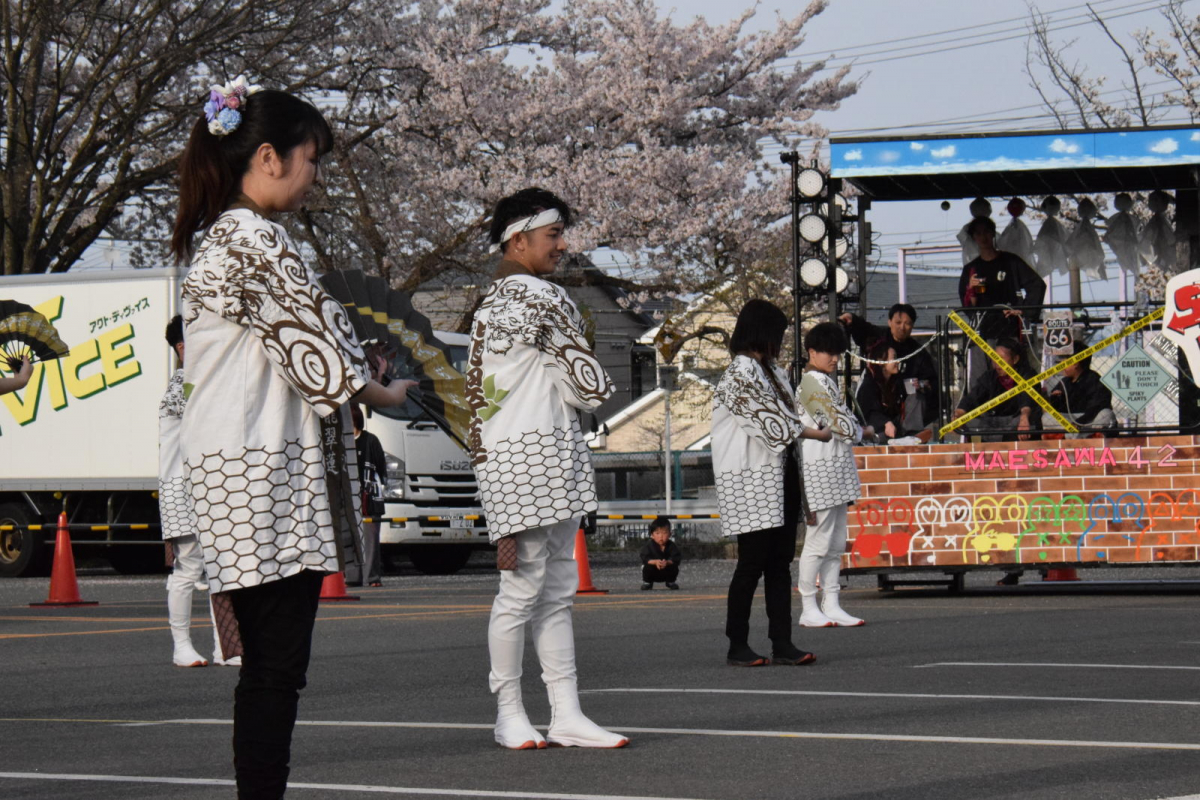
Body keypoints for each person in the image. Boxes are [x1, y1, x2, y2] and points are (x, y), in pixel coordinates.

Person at [171, 78, 415, 799]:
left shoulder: (223, 240)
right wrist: (384, 393)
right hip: (265, 477)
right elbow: (318, 356)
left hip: (231, 472)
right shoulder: (256, 242)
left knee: (267, 670)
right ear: (270, 156)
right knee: (276, 672)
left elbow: (310, 347)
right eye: (312, 159)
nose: (314, 177)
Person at [468, 187, 628, 750]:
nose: (562, 246)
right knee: (540, 589)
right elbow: (589, 385)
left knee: (534, 587)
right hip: (542, 457)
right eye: (553, 235)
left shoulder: (487, 305)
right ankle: (533, 711)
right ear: (519, 238)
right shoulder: (544, 298)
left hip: (508, 458)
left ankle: (541, 713)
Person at [713, 299, 829, 668]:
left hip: (778, 478)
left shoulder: (771, 371)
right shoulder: (738, 374)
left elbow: (783, 419)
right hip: (751, 480)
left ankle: (782, 641)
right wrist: (814, 432)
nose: (781, 342)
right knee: (752, 563)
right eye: (778, 334)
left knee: (778, 563)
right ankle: (737, 644)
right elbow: (770, 425)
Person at [159, 314, 240, 668]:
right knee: (189, 569)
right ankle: (182, 645)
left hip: (210, 485)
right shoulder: (180, 386)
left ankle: (225, 647)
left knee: (220, 568)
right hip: (180, 488)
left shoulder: (201, 382)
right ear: (182, 348)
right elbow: (196, 407)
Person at [796, 322, 869, 628]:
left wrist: (853, 426)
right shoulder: (811, 383)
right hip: (820, 471)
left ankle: (832, 602)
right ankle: (808, 605)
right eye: (829, 351)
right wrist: (859, 428)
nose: (835, 358)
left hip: (835, 469)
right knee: (819, 541)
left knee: (836, 541)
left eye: (838, 352)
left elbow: (845, 425)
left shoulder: (823, 382)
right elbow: (844, 426)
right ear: (812, 352)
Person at [959, 216, 1046, 382]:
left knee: (1011, 375)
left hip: (1009, 329)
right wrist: (970, 289)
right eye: (978, 233)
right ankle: (982, 408)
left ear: (993, 234)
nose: (983, 237)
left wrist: (1024, 310)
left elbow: (1037, 285)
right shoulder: (971, 269)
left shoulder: (1011, 262)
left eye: (986, 232)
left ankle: (1017, 406)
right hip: (983, 331)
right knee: (981, 378)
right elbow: (968, 305)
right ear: (974, 238)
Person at [839, 303, 939, 428]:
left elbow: (932, 381)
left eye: (907, 323)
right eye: (898, 322)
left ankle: (910, 436)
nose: (902, 327)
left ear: (912, 326)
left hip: (902, 406)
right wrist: (851, 318)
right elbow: (863, 328)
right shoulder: (879, 337)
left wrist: (922, 385)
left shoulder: (918, 352)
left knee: (916, 398)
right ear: (889, 322)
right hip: (877, 404)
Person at [953, 338, 1039, 442]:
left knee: (1024, 423)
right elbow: (973, 396)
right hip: (993, 422)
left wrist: (1024, 416)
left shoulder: (1027, 374)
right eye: (995, 358)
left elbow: (1027, 399)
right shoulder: (989, 377)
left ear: (1015, 359)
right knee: (971, 422)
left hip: (1016, 420)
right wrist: (959, 414)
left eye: (1002, 358)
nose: (997, 364)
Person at [855, 342, 931, 444]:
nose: (897, 361)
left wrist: (921, 386)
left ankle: (912, 434)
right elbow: (869, 413)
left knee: (916, 396)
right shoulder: (868, 385)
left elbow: (910, 399)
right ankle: (901, 440)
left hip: (897, 427)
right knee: (880, 437)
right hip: (876, 429)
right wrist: (885, 422)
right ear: (881, 361)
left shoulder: (896, 381)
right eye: (894, 358)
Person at [346, 403, 386, 587]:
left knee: (370, 540)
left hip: (368, 497)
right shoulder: (342, 441)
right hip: (348, 496)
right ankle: (352, 577)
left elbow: (381, 468)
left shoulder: (371, 440)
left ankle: (372, 577)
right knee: (349, 538)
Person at [1043, 342, 1116, 438]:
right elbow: (1058, 410)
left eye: (1065, 360)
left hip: (1088, 421)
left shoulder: (1094, 379)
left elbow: (1098, 407)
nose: (1061, 364)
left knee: (1106, 414)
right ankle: (1075, 437)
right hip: (1069, 422)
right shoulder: (1064, 382)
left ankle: (1081, 438)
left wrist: (1079, 423)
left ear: (1075, 363)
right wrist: (1055, 399)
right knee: (1047, 417)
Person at [639, 516, 682, 590]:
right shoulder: (649, 545)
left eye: (664, 533)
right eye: (657, 533)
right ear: (652, 535)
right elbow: (644, 557)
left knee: (674, 566)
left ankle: (670, 582)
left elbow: (676, 558)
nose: (661, 536)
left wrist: (667, 562)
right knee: (647, 566)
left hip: (666, 571)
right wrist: (655, 562)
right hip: (653, 571)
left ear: (670, 534)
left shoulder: (671, 545)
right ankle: (647, 582)